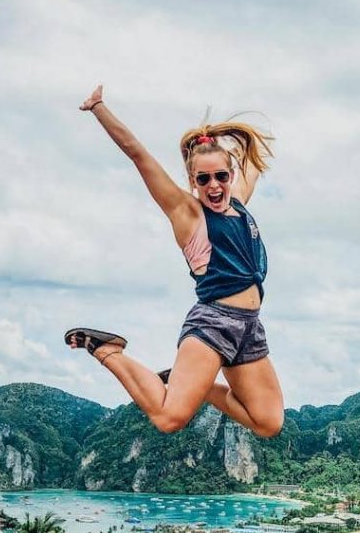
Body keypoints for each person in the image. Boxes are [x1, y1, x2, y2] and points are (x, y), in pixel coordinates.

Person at [65, 85, 284, 438]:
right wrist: (99, 108)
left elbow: (252, 163)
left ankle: (193, 385)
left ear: (230, 175)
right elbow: (138, 154)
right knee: (169, 418)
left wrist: (244, 134)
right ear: (192, 181)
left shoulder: (239, 204)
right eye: (203, 179)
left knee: (268, 422)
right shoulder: (188, 214)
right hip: (213, 322)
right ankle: (107, 351)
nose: (213, 186)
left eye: (221, 176)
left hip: (249, 325)